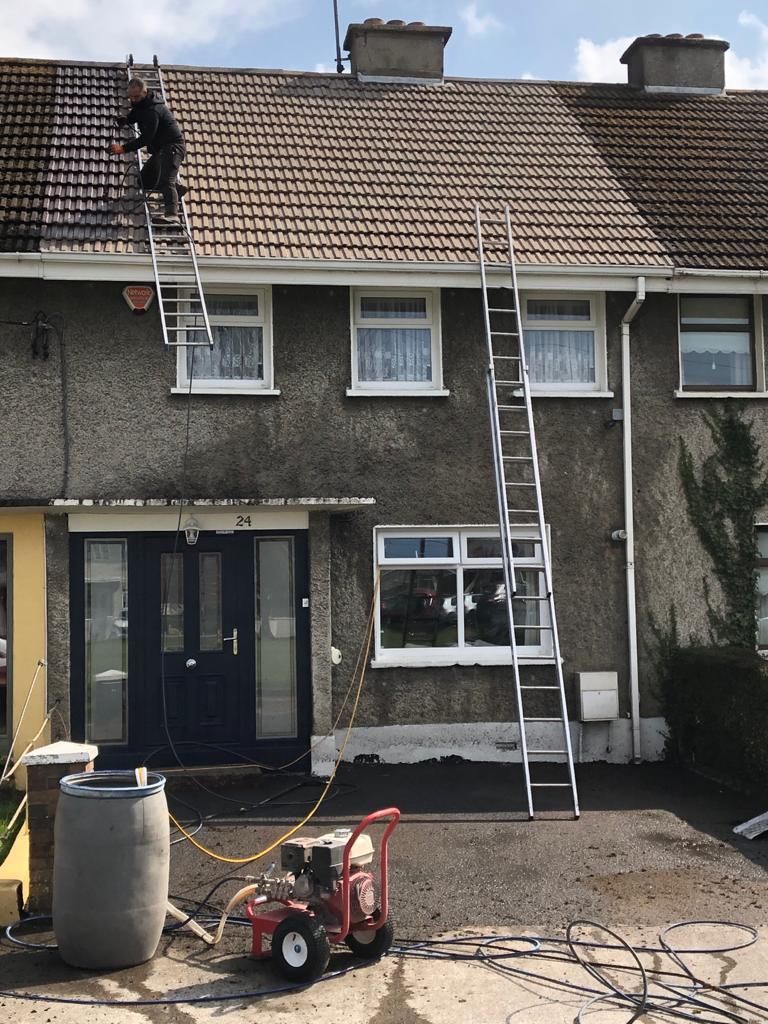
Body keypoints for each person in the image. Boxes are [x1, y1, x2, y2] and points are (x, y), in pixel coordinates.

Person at [110, 77, 188, 224]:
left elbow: (146, 138)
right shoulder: (142, 105)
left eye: (137, 97)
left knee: (167, 180)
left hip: (173, 148)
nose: (134, 100)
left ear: (145, 93)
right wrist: (126, 120)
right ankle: (176, 190)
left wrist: (123, 148)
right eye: (131, 97)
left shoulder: (153, 110)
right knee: (144, 181)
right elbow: (136, 113)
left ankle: (172, 214)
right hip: (160, 151)